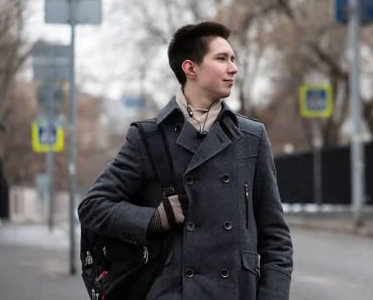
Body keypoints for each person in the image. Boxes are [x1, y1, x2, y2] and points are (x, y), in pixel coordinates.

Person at [77, 21, 293, 300]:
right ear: (190, 69)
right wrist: (152, 219)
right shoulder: (149, 138)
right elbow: (92, 207)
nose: (233, 68)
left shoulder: (251, 137)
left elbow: (276, 238)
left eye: (232, 59)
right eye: (221, 58)